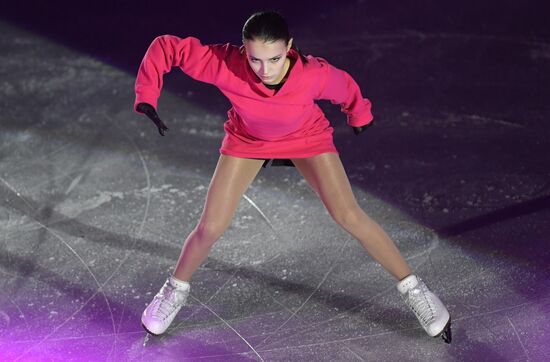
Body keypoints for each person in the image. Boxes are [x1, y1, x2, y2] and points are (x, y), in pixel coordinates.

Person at [133, 10, 452, 343]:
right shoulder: (225, 64)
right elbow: (167, 47)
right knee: (210, 226)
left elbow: (345, 86)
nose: (265, 70)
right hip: (248, 140)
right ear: (244, 50)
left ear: (289, 47)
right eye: (255, 60)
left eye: (274, 58)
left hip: (306, 137)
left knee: (348, 215)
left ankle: (416, 291)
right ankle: (174, 291)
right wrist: (146, 95)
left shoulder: (312, 74)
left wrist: (359, 114)